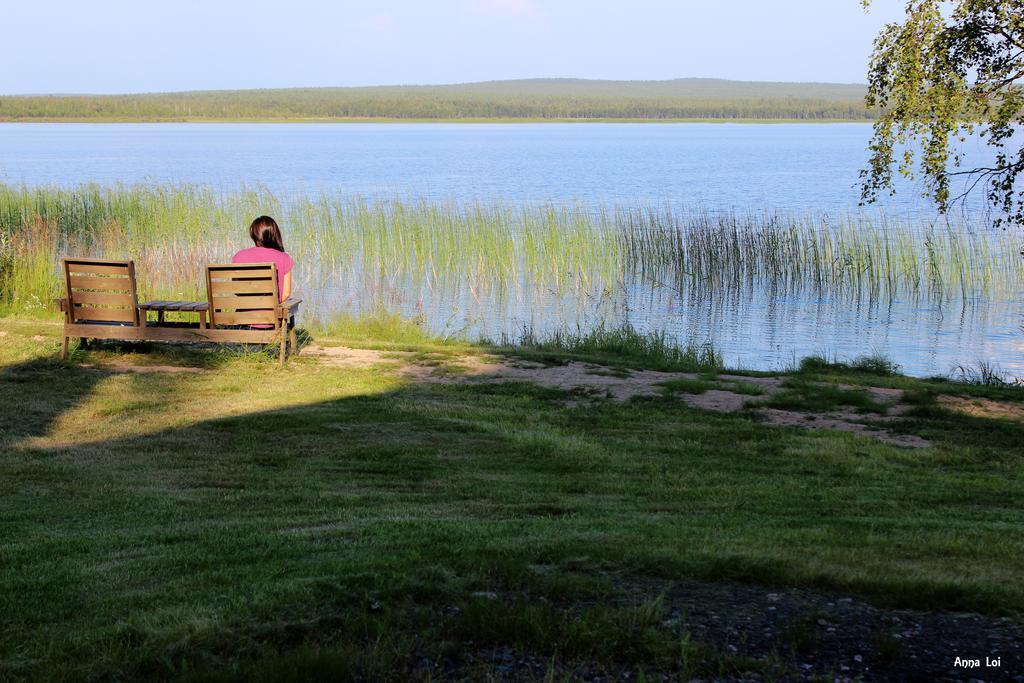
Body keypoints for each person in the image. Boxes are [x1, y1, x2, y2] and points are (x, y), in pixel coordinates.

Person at [232, 215, 294, 301]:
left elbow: (236, 288)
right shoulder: (284, 258)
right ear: (274, 234)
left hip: (243, 312)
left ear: (253, 235)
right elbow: (286, 294)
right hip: (271, 313)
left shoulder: (238, 256)